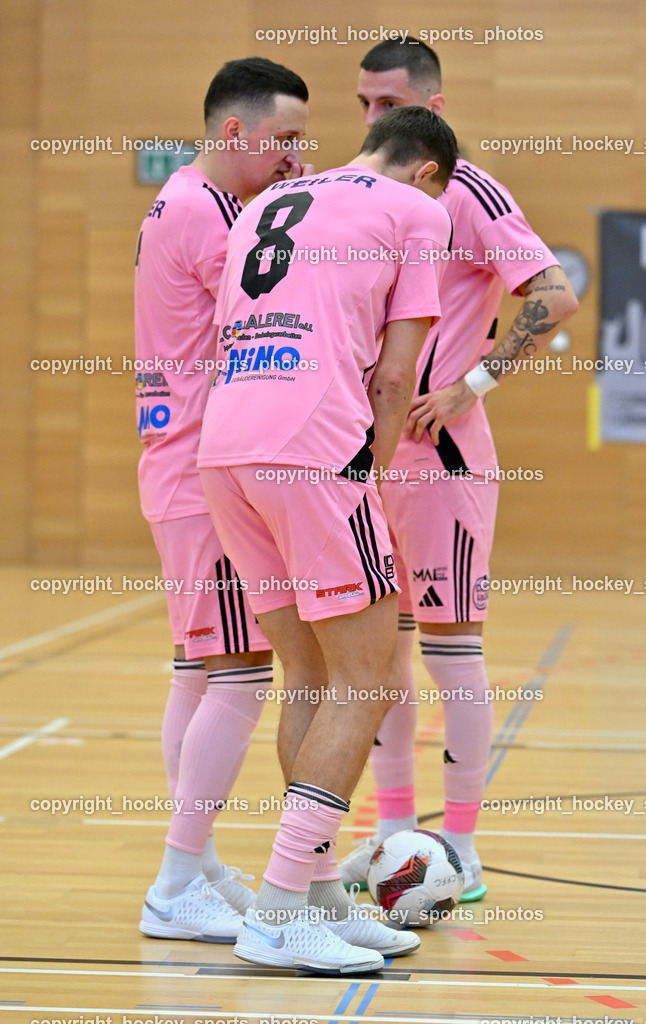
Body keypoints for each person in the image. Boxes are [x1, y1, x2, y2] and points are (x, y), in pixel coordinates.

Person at [197, 106, 457, 973]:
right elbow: (394, 374)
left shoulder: (277, 199)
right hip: (313, 450)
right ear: (429, 171)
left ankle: (313, 897)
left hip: (225, 447)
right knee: (372, 675)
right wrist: (369, 479)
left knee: (309, 673)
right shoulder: (419, 209)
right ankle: (276, 911)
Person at [339, 38, 578, 901]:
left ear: (430, 110)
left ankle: (464, 844)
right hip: (364, 463)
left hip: (441, 463)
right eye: (361, 102)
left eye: (386, 103)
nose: (369, 119)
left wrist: (469, 385)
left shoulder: (468, 194)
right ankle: (397, 832)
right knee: (379, 655)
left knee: (449, 652)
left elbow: (553, 295)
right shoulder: (353, 192)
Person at [134, 57, 313, 942]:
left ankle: (193, 866)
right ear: (234, 133)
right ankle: (175, 880)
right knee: (241, 672)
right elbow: (279, 308)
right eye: (283, 141)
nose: (293, 158)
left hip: (183, 464)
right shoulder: (211, 220)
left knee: (199, 669)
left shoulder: (198, 204)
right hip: (203, 468)